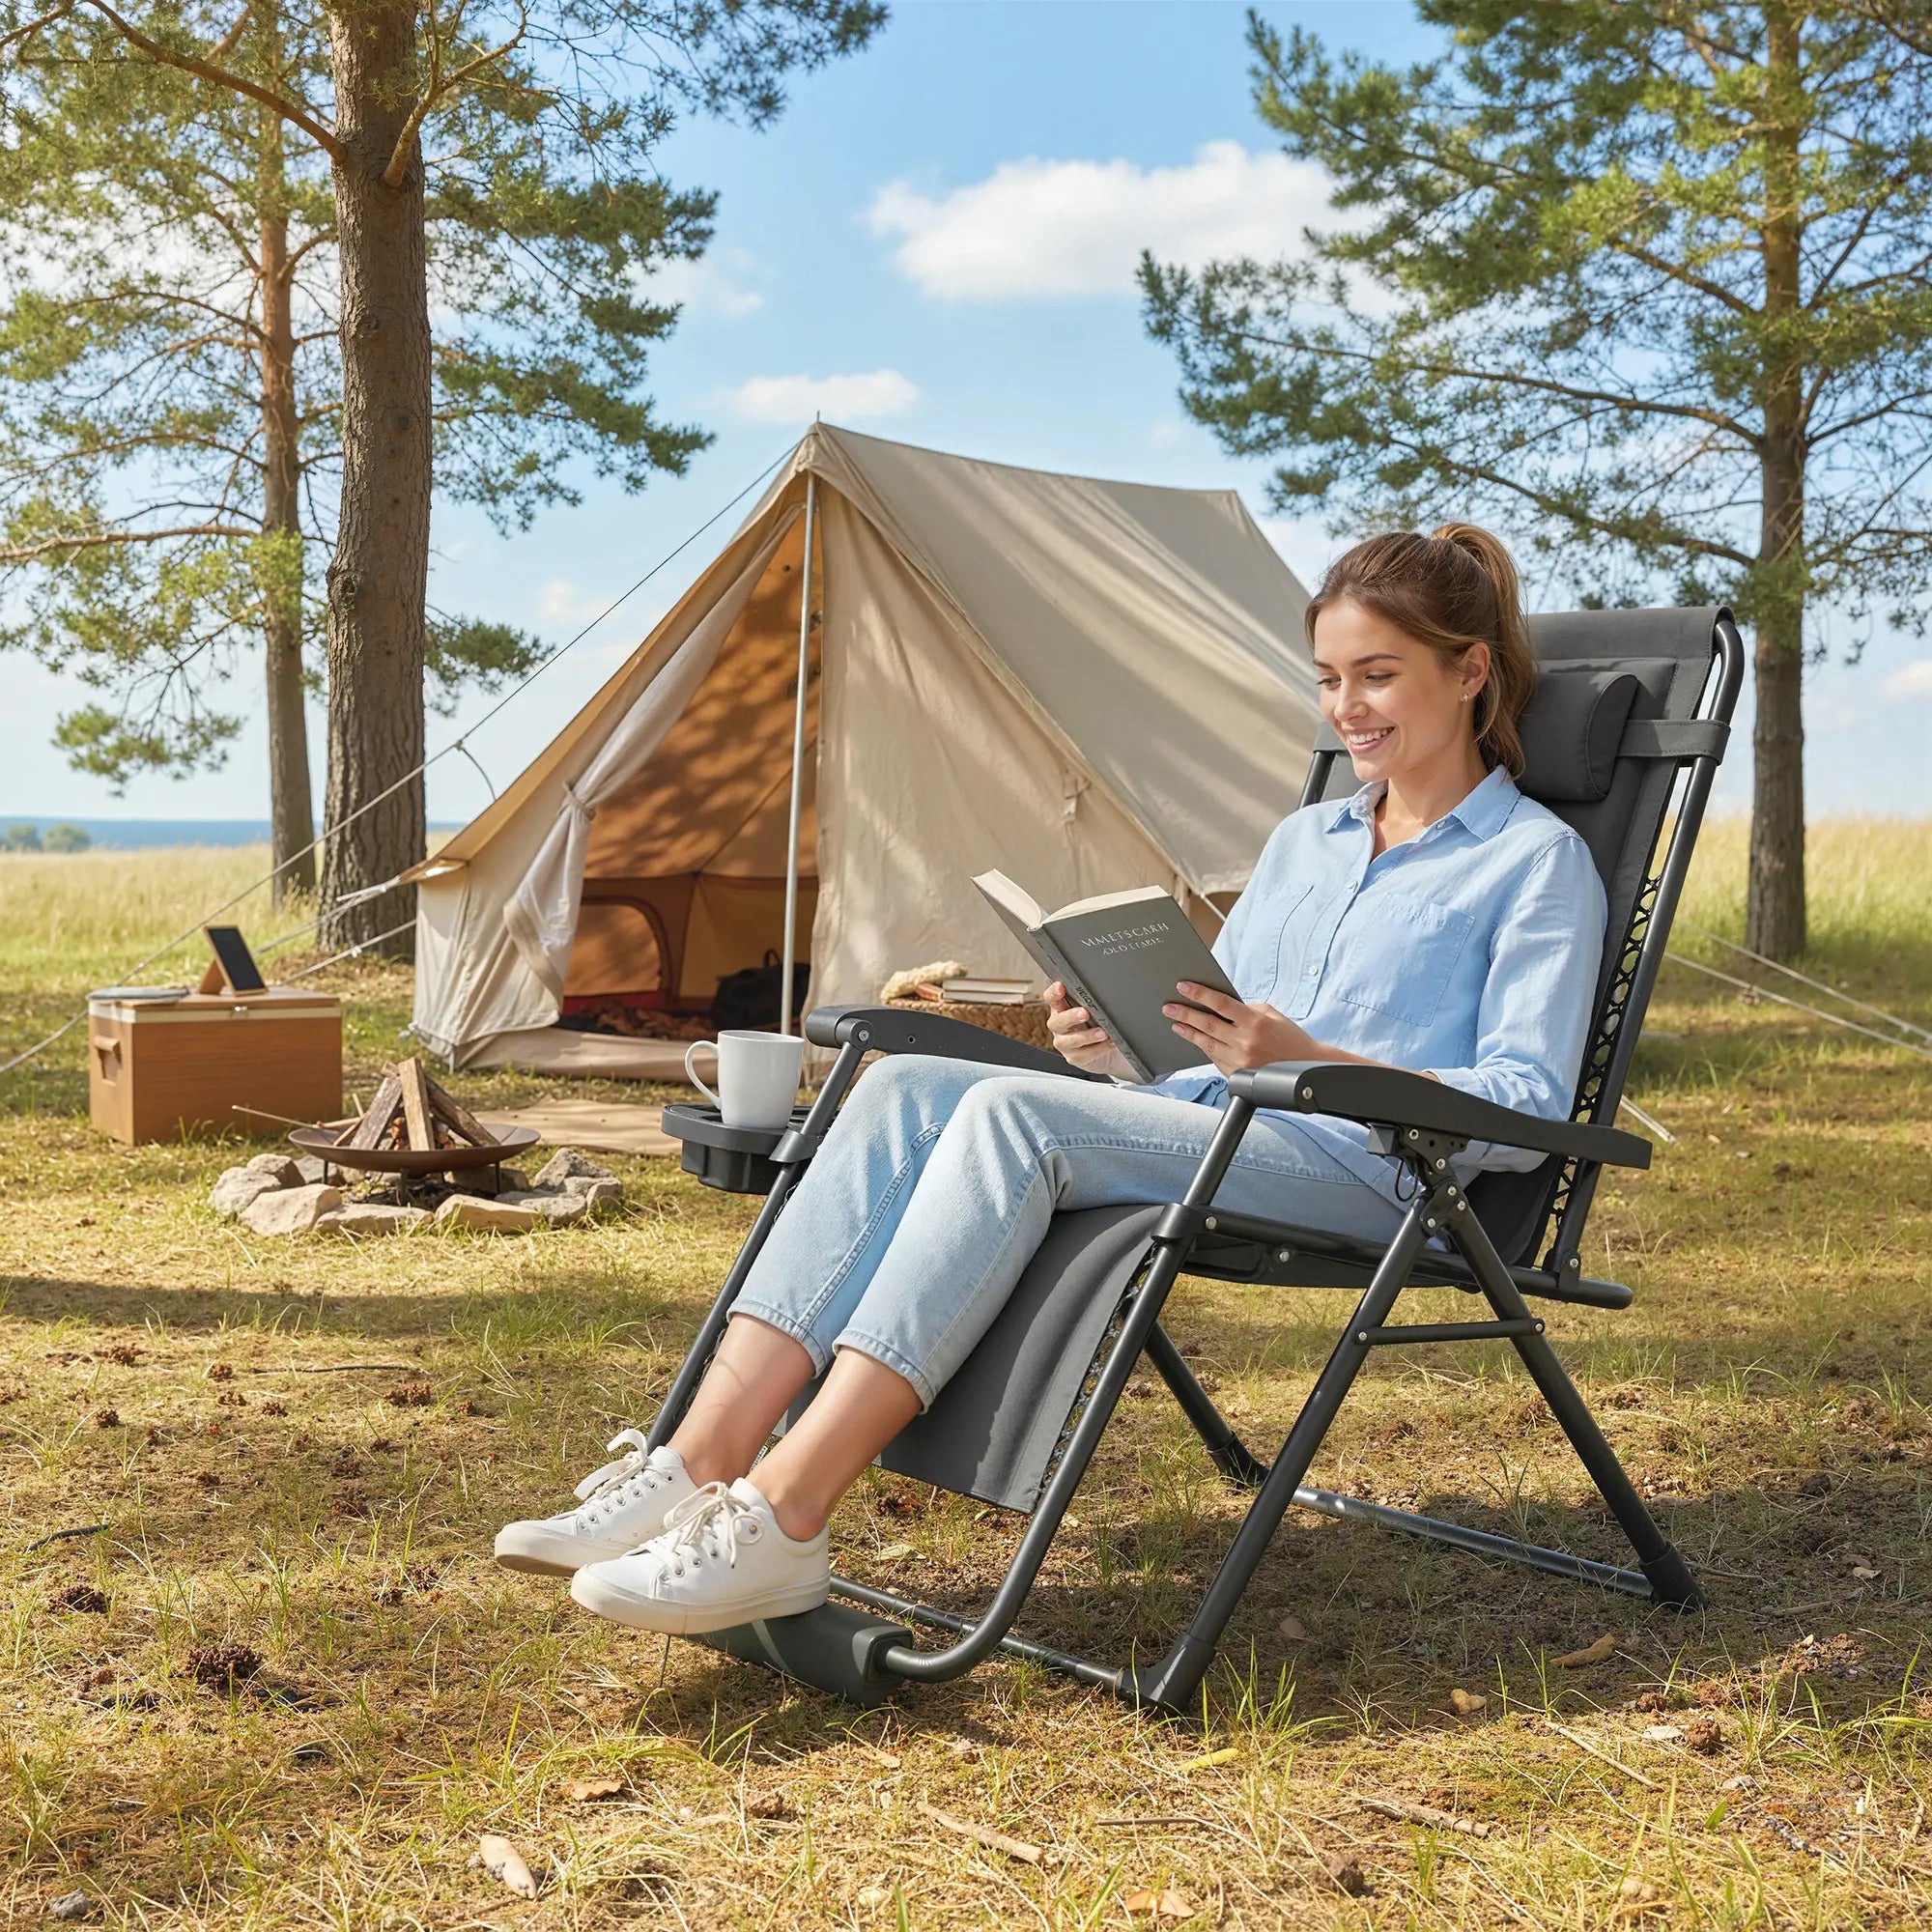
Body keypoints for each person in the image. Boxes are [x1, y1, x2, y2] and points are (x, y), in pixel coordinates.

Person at [494, 523, 1607, 1636]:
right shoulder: (1303, 841)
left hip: (1375, 1168)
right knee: (900, 1086)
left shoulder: (1533, 862)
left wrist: (1305, 1057)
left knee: (1012, 1117)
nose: (1346, 708)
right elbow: (1219, 1036)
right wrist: (1122, 1044)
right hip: (1210, 1126)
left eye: (1377, 675)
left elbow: (1523, 1110)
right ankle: (695, 1460)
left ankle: (785, 1516)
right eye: (1327, 678)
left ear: (1469, 672)